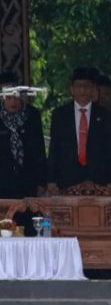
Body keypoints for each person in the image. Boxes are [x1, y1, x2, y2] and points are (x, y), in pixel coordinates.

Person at [47, 67, 111, 192]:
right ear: (71, 89)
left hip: (98, 179)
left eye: (87, 86)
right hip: (67, 179)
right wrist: (50, 179)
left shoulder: (104, 115)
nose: (82, 90)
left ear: (93, 89)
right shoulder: (60, 115)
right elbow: (54, 147)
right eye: (78, 86)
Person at [0, 71, 47, 209]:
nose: (12, 102)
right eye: (8, 97)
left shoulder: (31, 115)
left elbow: (39, 150)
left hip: (28, 180)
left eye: (15, 97)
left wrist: (42, 181)